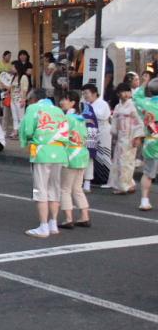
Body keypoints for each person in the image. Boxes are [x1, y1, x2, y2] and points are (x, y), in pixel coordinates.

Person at [19, 88, 69, 238]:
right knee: (55, 187)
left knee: (40, 188)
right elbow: (66, 131)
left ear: (33, 99)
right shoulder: (59, 111)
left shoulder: (33, 109)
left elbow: (27, 130)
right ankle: (53, 223)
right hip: (59, 151)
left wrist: (25, 141)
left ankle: (43, 226)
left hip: (41, 151)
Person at [57, 91, 91, 229]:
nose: (61, 102)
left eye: (65, 99)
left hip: (70, 154)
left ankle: (68, 218)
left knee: (65, 188)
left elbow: (60, 136)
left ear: (72, 102)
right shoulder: (80, 119)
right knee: (77, 188)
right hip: (82, 154)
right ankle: (84, 215)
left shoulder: (67, 119)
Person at [109, 83, 143, 194]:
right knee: (119, 162)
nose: (125, 94)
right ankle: (129, 184)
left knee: (127, 162)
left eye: (127, 91)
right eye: (123, 92)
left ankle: (123, 186)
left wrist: (137, 137)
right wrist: (113, 133)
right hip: (120, 137)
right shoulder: (118, 107)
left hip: (130, 136)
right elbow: (114, 121)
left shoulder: (133, 106)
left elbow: (139, 122)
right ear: (118, 93)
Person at [133, 77, 158, 211]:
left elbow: (136, 96)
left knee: (148, 173)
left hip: (151, 142)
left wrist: (144, 83)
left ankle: (144, 200)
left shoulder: (145, 104)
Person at [82, 83, 112, 187]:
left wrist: (89, 114)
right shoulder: (87, 104)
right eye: (84, 93)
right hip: (92, 132)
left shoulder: (102, 103)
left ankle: (106, 179)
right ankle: (95, 178)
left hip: (103, 131)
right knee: (93, 155)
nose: (85, 96)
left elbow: (101, 116)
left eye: (87, 93)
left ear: (94, 93)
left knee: (104, 154)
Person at [10, 60, 30, 137]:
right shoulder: (14, 76)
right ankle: (15, 131)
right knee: (14, 117)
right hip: (13, 99)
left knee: (21, 117)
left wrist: (23, 100)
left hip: (19, 99)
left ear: (17, 67)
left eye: (13, 67)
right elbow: (12, 88)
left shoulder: (23, 77)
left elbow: (24, 89)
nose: (12, 68)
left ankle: (22, 132)